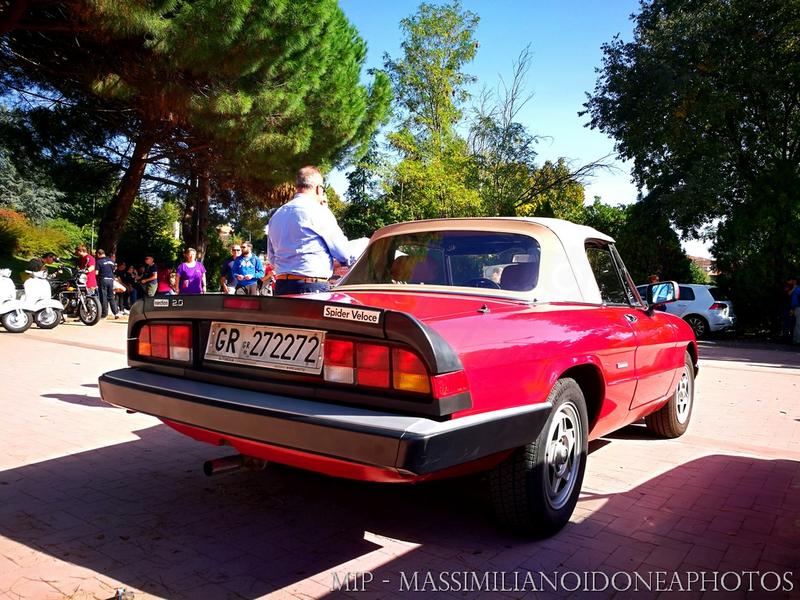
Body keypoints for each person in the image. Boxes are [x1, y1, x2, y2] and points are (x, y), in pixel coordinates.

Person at [268, 165, 356, 295]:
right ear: (318, 189)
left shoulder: (276, 215)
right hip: (311, 287)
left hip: (281, 287)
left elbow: (272, 258)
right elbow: (343, 253)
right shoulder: (319, 212)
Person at [95, 249, 121, 319]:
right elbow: (114, 269)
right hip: (110, 280)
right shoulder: (111, 261)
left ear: (98, 254)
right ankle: (116, 313)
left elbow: (96, 273)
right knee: (111, 297)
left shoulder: (99, 261)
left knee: (103, 298)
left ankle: (104, 314)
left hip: (103, 280)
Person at [790, 278, 800, 345]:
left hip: (797, 307)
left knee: (798, 324)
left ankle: (796, 340)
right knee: (798, 324)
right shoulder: (796, 289)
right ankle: (797, 340)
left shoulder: (797, 289)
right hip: (797, 307)